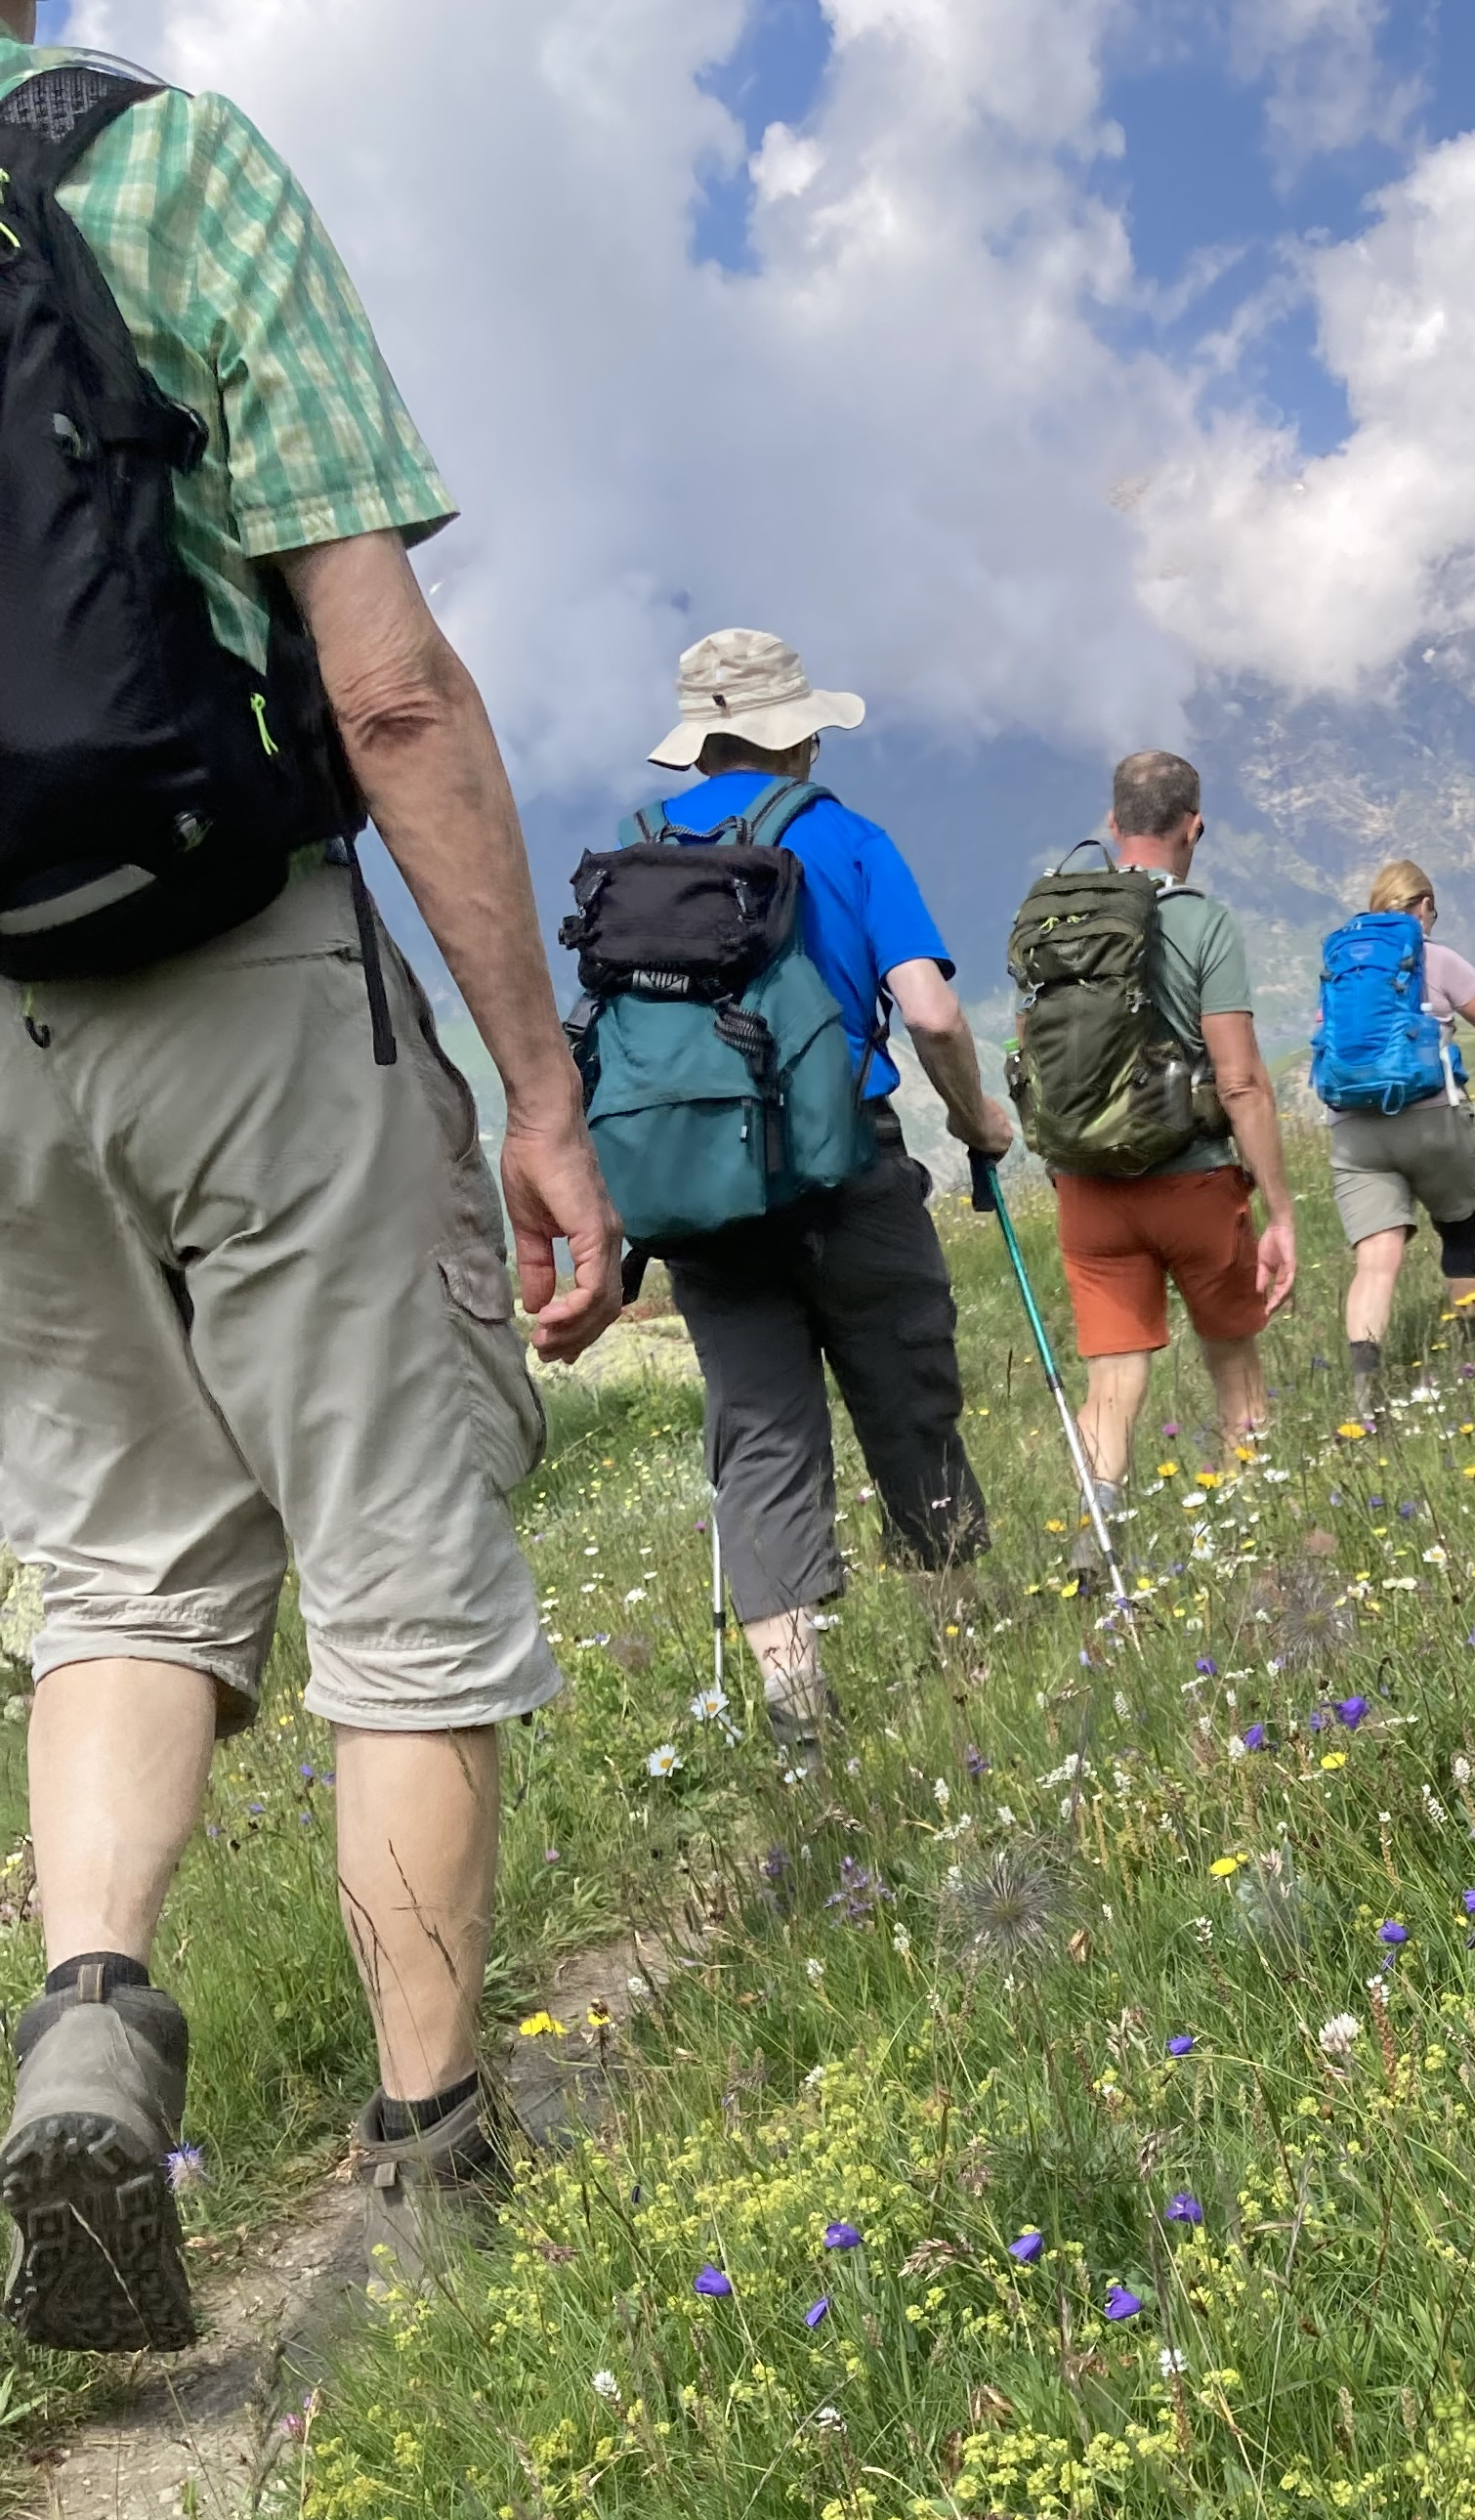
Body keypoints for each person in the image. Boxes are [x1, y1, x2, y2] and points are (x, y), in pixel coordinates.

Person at [0, 21, 619, 2348]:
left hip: (1, 1041)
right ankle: (432, 2159)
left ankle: (89, 2009)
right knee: (397, 1566)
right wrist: (533, 1080)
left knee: (120, 1567)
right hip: (248, 973)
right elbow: (384, 690)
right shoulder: (163, 171)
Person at [634, 630, 1010, 1755]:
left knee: (757, 1435)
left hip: (703, 1188)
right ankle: (963, 1665)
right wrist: (976, 1117)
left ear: (700, 742)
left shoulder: (638, 852)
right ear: (799, 731)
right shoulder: (845, 837)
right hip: (848, 1167)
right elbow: (931, 1011)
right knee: (906, 1393)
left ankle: (797, 1706)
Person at [1048, 751, 1295, 1538]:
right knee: (1234, 1362)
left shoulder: (1058, 922)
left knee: (1112, 1382)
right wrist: (1280, 1210)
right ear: (1195, 828)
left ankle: (1097, 1542)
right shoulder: (1203, 922)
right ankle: (1249, 1533)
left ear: (1113, 825)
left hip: (1089, 1191)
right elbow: (1241, 1081)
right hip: (1195, 1185)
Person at [1325, 862, 1475, 1430]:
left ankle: (1364, 1398)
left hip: (1353, 1129)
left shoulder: (1343, 967)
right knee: (1457, 1227)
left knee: (1375, 1262)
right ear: (1423, 903)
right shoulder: (1436, 958)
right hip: (1430, 1119)